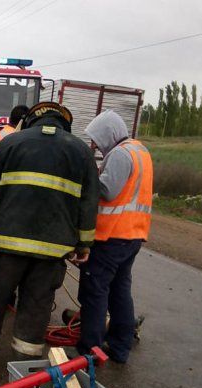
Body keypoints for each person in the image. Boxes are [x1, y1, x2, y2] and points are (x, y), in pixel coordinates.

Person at [0, 102, 99, 363]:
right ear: (64, 124)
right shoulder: (81, 153)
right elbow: (89, 203)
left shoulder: (13, 142)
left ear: (30, 120)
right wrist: (84, 244)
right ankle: (25, 362)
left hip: (8, 245)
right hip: (52, 250)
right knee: (37, 303)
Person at [76, 110, 153, 364]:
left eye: (97, 139)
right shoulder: (139, 151)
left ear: (109, 134)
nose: (95, 144)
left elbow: (108, 190)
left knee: (95, 292)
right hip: (132, 236)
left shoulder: (120, 154)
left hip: (111, 237)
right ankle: (120, 348)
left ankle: (90, 352)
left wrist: (86, 178)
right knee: (119, 292)